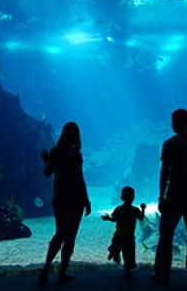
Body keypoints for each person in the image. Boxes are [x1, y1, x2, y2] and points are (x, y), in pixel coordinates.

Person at [150, 109, 187, 288]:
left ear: (175, 123)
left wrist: (161, 196)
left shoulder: (169, 144)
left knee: (166, 237)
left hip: (173, 197)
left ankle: (162, 274)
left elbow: (164, 173)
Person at [38, 122, 91, 284]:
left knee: (60, 233)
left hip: (60, 198)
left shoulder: (55, 151)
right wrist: (86, 200)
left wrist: (46, 159)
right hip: (75, 199)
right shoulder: (76, 154)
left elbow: (47, 173)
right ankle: (62, 272)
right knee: (70, 237)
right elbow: (79, 179)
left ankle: (46, 269)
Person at [101, 186, 146, 279]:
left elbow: (114, 219)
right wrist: (143, 209)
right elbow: (141, 218)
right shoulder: (135, 210)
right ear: (133, 198)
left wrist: (108, 218)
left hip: (119, 236)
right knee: (128, 255)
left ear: (121, 198)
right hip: (129, 237)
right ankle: (126, 270)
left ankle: (114, 252)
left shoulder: (119, 209)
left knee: (116, 246)